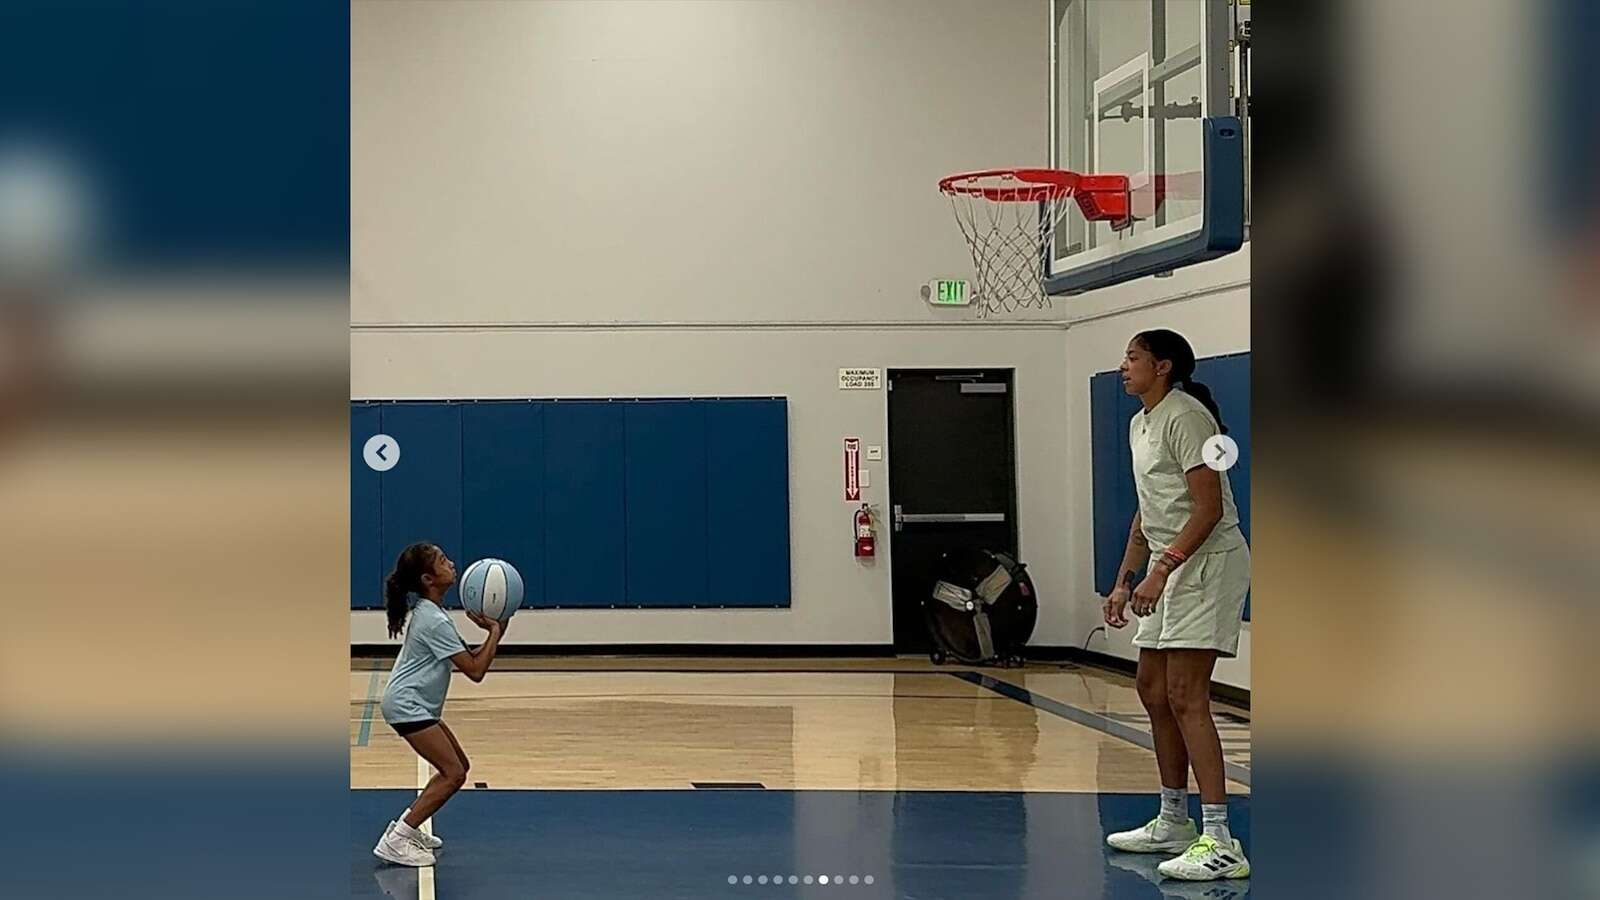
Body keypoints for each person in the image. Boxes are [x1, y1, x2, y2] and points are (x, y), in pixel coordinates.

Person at [1102, 329, 1251, 881]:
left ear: (1162, 367)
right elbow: (1148, 513)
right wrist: (1124, 580)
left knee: (1187, 694)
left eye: (1133, 357)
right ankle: (1173, 819)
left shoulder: (1188, 417)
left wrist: (1162, 571)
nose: (1124, 366)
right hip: (1170, 564)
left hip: (1207, 565)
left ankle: (1221, 840)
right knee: (1151, 689)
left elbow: (1207, 508)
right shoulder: (1140, 422)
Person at [371, 542, 504, 867]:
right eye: (444, 561)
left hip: (416, 705)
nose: (453, 563)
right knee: (453, 773)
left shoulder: (433, 614)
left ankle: (407, 827)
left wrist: (493, 633)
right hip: (407, 706)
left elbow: (471, 663)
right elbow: (475, 670)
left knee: (459, 766)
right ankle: (398, 838)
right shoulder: (434, 621)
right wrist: (496, 631)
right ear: (429, 579)